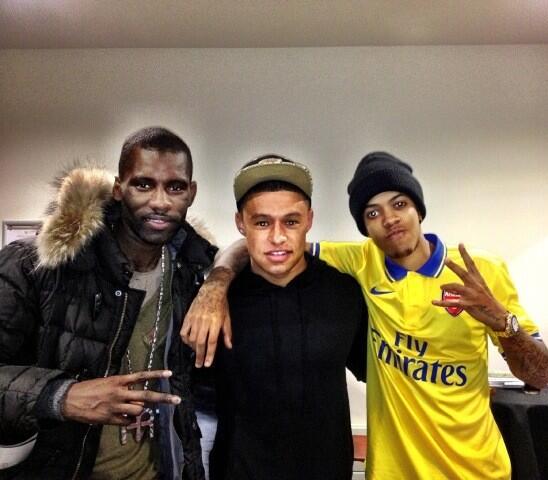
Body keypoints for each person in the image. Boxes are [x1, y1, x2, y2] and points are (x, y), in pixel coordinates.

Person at [181, 151, 548, 480]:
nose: (390, 219)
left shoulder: (470, 272)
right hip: (373, 472)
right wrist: (216, 282)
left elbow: (540, 376)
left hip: (472, 470)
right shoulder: (355, 269)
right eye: (373, 212)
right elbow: (265, 249)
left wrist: (504, 323)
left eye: (400, 203)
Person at [0, 127, 217, 479]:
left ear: (191, 193)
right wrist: (60, 396)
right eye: (143, 184)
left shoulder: (187, 276)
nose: (160, 201)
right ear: (118, 188)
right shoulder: (36, 266)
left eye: (175, 187)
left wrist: (219, 282)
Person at [208, 155, 367, 480]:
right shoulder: (217, 303)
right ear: (240, 223)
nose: (278, 237)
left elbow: (385, 373)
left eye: (291, 222)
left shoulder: (344, 294)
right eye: (262, 223)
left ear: (309, 220)